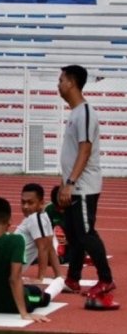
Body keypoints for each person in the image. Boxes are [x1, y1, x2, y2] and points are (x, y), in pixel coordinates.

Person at [57, 64, 115, 297]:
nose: (58, 85)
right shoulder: (75, 113)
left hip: (82, 186)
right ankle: (73, 278)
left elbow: (85, 150)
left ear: (71, 82)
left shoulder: (85, 112)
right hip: (73, 184)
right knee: (73, 233)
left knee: (86, 233)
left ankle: (106, 279)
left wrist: (71, 183)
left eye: (61, 80)